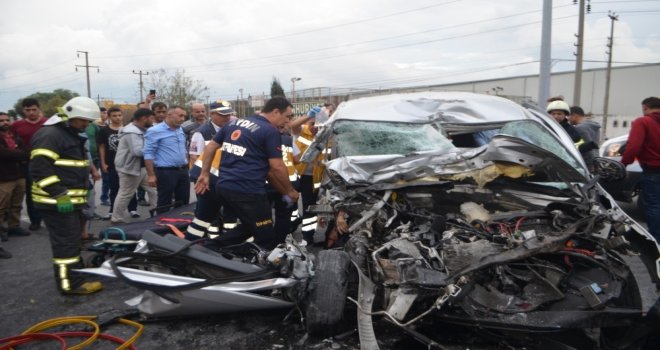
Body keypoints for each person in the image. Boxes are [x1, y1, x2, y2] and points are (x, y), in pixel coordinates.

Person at [194, 97, 300, 250]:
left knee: (250, 227)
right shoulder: (270, 131)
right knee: (266, 237)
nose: (288, 121)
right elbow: (277, 166)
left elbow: (211, 147)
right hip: (248, 192)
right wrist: (290, 191)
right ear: (276, 112)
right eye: (287, 116)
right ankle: (230, 258)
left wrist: (204, 174)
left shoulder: (234, 123)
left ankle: (209, 247)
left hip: (225, 187)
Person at [30, 96, 103, 294]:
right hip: (55, 202)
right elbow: (39, 169)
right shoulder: (51, 135)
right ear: (69, 115)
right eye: (83, 121)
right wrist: (60, 194)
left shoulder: (68, 133)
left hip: (69, 201)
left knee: (72, 241)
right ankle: (70, 284)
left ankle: (75, 274)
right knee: (66, 244)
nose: (85, 125)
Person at [186, 101, 236, 240]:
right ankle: (210, 240)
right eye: (222, 115)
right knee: (209, 214)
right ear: (212, 114)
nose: (227, 118)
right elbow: (194, 157)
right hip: (206, 178)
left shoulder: (232, 129)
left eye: (228, 114)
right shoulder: (202, 132)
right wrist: (203, 177)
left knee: (229, 212)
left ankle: (227, 239)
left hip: (224, 178)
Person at [621, 97, 660, 242]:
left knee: (654, 206)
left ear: (645, 108)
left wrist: (624, 163)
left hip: (653, 171)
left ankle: (657, 240)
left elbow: (633, 146)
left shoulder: (643, 121)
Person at [111, 108, 157, 224]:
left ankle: (156, 213)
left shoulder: (143, 129)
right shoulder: (132, 132)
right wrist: (156, 148)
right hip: (130, 169)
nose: (153, 120)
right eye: (151, 118)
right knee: (126, 194)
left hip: (143, 168)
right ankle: (116, 219)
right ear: (143, 118)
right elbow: (137, 151)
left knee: (154, 190)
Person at [290, 106, 327, 245]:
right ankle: (290, 227)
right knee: (289, 204)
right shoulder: (301, 131)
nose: (315, 128)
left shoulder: (326, 137)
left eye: (319, 125)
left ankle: (307, 237)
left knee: (309, 209)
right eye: (313, 124)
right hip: (296, 175)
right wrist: (308, 115)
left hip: (313, 179)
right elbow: (293, 125)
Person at [144, 105, 190, 214]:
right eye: (180, 115)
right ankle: (161, 226)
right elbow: (148, 153)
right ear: (169, 115)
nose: (183, 118)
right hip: (165, 172)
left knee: (183, 202)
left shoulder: (180, 130)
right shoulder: (155, 131)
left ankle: (180, 225)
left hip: (183, 170)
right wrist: (151, 175)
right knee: (165, 202)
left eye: (184, 116)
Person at [11, 98, 46, 231]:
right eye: (27, 110)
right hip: (28, 163)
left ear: (39, 108)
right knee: (32, 193)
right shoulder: (17, 125)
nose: (31, 112)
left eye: (34, 109)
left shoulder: (47, 123)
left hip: (48, 162)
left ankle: (49, 218)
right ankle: (35, 220)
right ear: (23, 110)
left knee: (50, 190)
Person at [98, 107, 138, 220]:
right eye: (114, 116)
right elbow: (101, 147)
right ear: (109, 117)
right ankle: (112, 210)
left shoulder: (128, 130)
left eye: (119, 115)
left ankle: (132, 209)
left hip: (128, 164)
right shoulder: (104, 131)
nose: (117, 118)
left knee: (130, 188)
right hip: (112, 164)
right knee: (114, 188)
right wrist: (103, 163)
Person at [0, 112, 30, 242]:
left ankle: (14, 226)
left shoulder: (15, 136)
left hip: (19, 175)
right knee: (2, 206)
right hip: (4, 178)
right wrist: (19, 154)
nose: (5, 123)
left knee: (17, 204)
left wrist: (17, 154)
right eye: (2, 121)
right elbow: (3, 154)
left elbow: (26, 153)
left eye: (7, 120)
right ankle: (1, 230)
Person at [570, 106, 601, 172]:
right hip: (595, 160)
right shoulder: (592, 125)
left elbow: (588, 148)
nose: (568, 119)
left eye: (569, 116)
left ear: (574, 115)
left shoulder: (580, 128)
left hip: (587, 164)